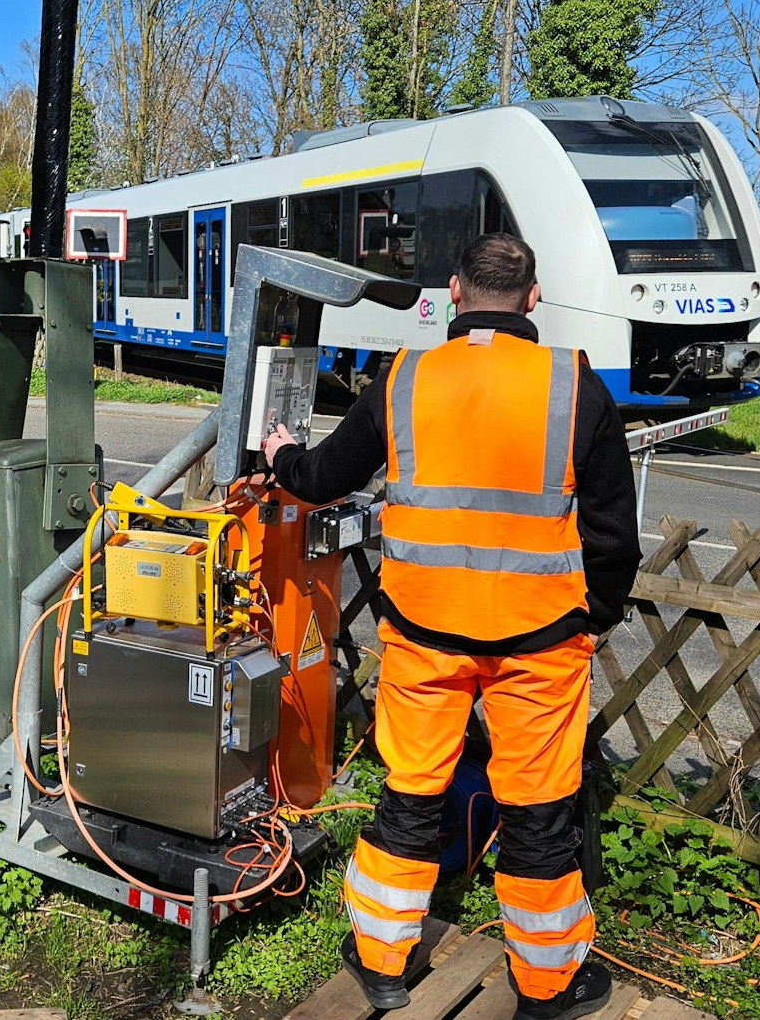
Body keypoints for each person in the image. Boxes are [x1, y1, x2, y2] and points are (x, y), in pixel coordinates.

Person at [262, 233, 640, 1019]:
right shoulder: (575, 387)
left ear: (454, 289)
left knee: (412, 792)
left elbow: (325, 479)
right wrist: (588, 621)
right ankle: (548, 985)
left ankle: (381, 963)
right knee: (539, 809)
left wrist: (282, 454)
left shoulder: (404, 378)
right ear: (533, 297)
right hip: (541, 644)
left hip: (424, 635)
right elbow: (613, 538)